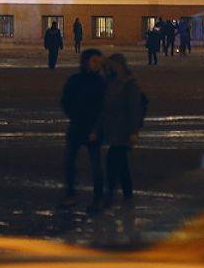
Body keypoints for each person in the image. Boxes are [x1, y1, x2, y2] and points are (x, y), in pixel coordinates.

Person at [98, 53, 147, 210]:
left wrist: (133, 130)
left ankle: (110, 193)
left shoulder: (128, 83)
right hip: (113, 127)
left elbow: (134, 108)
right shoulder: (109, 81)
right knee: (121, 163)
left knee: (113, 161)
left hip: (123, 129)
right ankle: (127, 193)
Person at [60, 49, 106, 209]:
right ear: (86, 62)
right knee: (70, 163)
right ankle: (70, 194)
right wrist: (74, 116)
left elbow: (104, 108)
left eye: (99, 62)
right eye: (94, 61)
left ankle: (98, 198)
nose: (97, 65)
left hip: (93, 129)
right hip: (77, 126)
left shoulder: (101, 83)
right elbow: (66, 100)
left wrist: (97, 128)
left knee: (95, 164)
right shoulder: (75, 80)